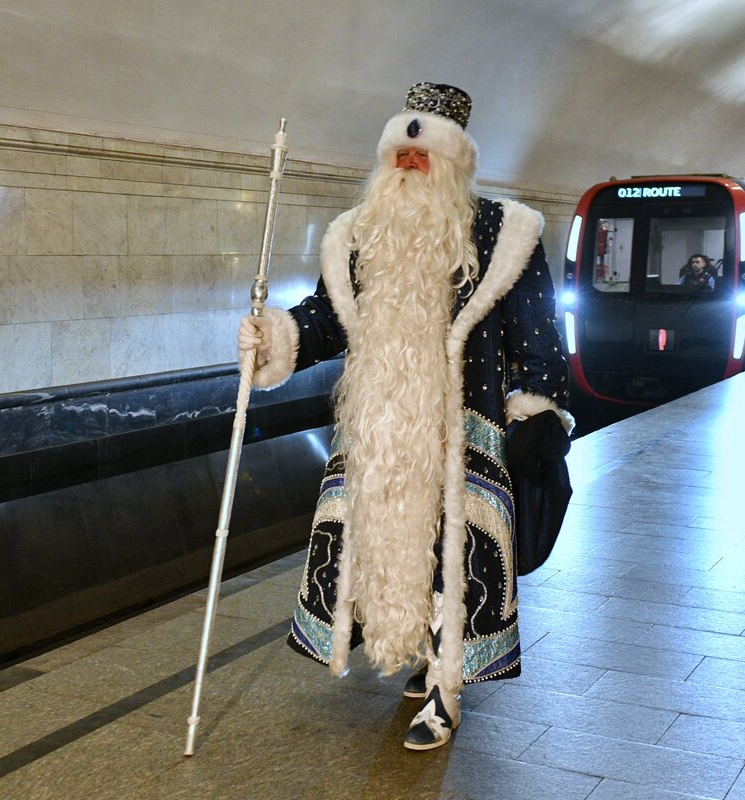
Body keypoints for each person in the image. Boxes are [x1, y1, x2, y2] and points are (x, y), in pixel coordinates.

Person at [237, 83, 572, 751]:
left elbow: (537, 332)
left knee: (456, 562)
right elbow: (327, 320)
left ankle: (446, 692)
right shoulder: (358, 233)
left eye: (422, 157)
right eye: (400, 156)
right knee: (393, 557)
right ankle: (419, 654)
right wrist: (273, 338)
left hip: (462, 429)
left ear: (456, 162)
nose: (409, 167)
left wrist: (537, 407)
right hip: (377, 429)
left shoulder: (507, 232)